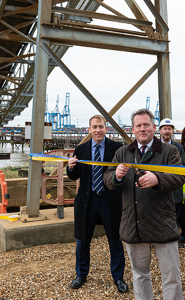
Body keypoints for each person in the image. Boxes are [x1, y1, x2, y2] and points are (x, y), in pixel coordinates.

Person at [104, 109, 185, 300]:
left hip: (162, 223)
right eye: (138, 125)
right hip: (134, 224)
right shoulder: (122, 152)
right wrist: (116, 176)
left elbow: (180, 176)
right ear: (132, 129)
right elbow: (107, 178)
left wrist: (157, 179)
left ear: (154, 127)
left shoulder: (169, 151)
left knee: (171, 277)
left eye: (146, 125)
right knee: (140, 275)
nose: (142, 129)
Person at [67, 115, 127, 293]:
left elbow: (123, 174)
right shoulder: (81, 149)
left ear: (106, 128)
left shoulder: (117, 149)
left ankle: (118, 277)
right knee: (83, 240)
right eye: (95, 127)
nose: (98, 130)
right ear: (89, 129)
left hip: (110, 201)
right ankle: (81, 274)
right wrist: (70, 167)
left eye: (101, 126)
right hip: (88, 200)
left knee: (115, 240)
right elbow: (74, 175)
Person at [159, 118, 185, 223]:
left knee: (174, 218)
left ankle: (174, 239)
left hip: (175, 188)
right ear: (160, 131)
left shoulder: (179, 147)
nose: (167, 131)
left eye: (169, 129)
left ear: (172, 131)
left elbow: (182, 166)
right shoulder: (153, 146)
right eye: (165, 129)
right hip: (158, 186)